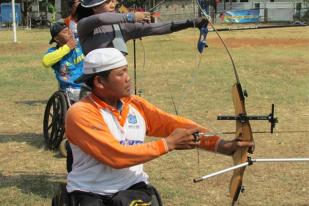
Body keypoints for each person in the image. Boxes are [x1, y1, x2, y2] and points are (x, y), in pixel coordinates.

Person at [65, 48, 254, 206]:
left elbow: (175, 125)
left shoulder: (134, 105)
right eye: (120, 73)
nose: (128, 78)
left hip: (132, 188)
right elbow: (115, 156)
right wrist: (167, 144)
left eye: (127, 71)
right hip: (89, 193)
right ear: (99, 82)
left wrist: (223, 145)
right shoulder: (81, 113)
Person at [76, 0, 209, 55]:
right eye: (108, 1)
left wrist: (192, 22)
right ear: (94, 7)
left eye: (113, 0)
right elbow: (101, 18)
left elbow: (158, 28)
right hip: (93, 86)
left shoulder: (122, 27)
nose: (114, 3)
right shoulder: (85, 25)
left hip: (117, 86)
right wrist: (133, 17)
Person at [42, 22, 84, 102]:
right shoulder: (54, 51)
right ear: (57, 39)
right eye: (65, 32)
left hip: (88, 85)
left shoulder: (80, 44)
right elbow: (45, 62)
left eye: (69, 30)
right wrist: (67, 48)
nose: (69, 33)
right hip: (72, 89)